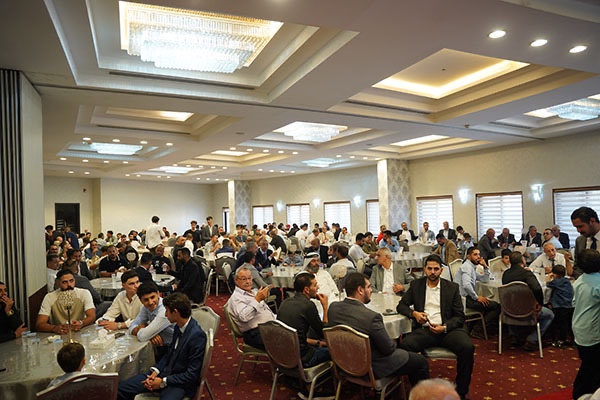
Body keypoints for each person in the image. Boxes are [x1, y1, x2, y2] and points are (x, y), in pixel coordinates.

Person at [328, 272, 429, 387]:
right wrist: (394, 341)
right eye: (369, 287)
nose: (371, 290)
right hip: (370, 368)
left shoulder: (333, 308)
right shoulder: (371, 317)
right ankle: (421, 394)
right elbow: (388, 349)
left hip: (344, 364)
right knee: (421, 362)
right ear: (360, 290)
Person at [397, 254, 474, 400]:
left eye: (436, 269)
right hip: (425, 330)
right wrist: (414, 314)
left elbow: (459, 317)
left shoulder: (451, 287)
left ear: (441, 270)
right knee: (406, 345)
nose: (432, 272)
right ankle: (421, 389)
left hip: (448, 330)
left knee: (467, 347)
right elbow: (401, 305)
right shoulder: (416, 285)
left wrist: (444, 327)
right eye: (429, 268)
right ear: (424, 269)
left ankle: (461, 392)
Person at [117, 293, 206, 400]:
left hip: (179, 383)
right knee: (121, 389)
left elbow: (191, 375)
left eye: (167, 311)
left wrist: (163, 381)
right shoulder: (179, 327)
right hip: (164, 373)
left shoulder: (196, 336)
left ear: (175, 312)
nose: (166, 315)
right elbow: (169, 354)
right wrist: (156, 371)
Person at [502, 251, 554, 351]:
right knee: (550, 315)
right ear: (523, 261)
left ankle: (514, 336)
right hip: (528, 310)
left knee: (513, 305)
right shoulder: (527, 274)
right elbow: (537, 288)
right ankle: (532, 339)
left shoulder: (506, 274)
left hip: (510, 309)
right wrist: (540, 303)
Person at [277, 273, 331, 368]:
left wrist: (317, 343)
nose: (318, 287)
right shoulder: (308, 306)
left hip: (282, 355)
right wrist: (325, 307)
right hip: (302, 359)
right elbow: (324, 333)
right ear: (306, 290)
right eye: (315, 285)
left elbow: (296, 335)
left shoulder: (285, 302)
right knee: (336, 352)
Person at [571, 249, 600, 399]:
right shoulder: (598, 283)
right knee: (590, 368)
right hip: (592, 330)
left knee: (588, 363)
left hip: (579, 326)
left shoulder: (580, 280)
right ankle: (580, 393)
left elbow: (574, 302)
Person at [225, 266, 275, 350]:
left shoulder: (254, 292)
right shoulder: (236, 298)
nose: (248, 282)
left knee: (294, 329)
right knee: (287, 341)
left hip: (268, 327)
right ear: (236, 280)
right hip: (254, 333)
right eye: (244, 279)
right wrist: (257, 300)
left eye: (249, 278)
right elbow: (244, 317)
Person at [455, 247, 500, 338]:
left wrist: (485, 267)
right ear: (468, 256)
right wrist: (476, 297)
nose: (478, 257)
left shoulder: (471, 267)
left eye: (479, 254)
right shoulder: (467, 267)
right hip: (463, 300)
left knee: (489, 303)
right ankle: (478, 329)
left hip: (467, 297)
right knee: (496, 306)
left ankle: (478, 327)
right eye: (475, 255)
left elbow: (484, 279)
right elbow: (466, 285)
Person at [36, 269, 96, 334]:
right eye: (64, 282)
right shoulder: (49, 297)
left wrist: (81, 323)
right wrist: (54, 328)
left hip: (80, 332)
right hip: (59, 334)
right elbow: (40, 324)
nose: (69, 285)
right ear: (58, 283)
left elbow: (92, 316)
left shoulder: (84, 293)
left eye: (71, 281)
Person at [129, 282, 175, 356]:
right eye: (146, 300)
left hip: (175, 348)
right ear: (140, 300)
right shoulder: (145, 308)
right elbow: (132, 326)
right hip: (161, 346)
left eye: (152, 297)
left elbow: (143, 336)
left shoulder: (165, 310)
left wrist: (148, 332)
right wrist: (150, 333)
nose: (150, 302)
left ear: (158, 294)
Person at [545, 264, 574, 348]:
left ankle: (561, 339)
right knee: (566, 323)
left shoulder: (556, 282)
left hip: (560, 305)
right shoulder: (567, 281)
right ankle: (567, 339)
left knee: (560, 323)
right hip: (569, 305)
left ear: (555, 274)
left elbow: (547, 283)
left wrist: (549, 276)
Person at [571, 206, 600, 279]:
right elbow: (577, 266)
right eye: (576, 227)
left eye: (580, 226)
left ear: (592, 221)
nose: (578, 230)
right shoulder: (579, 241)